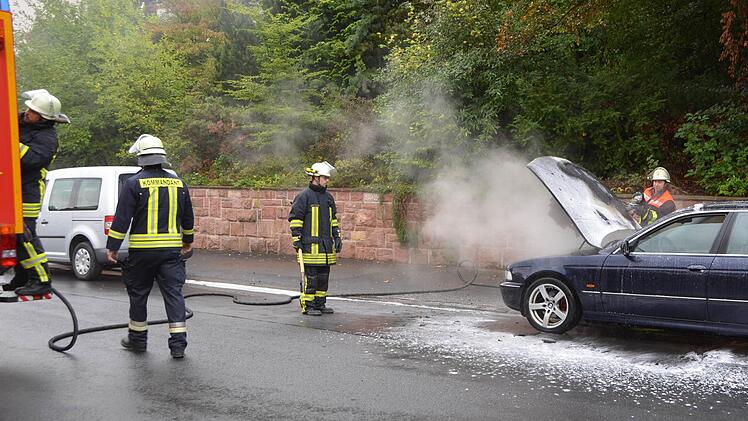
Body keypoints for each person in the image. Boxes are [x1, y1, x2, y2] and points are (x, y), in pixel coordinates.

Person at [105, 134, 194, 358]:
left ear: (141, 158)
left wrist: (112, 247)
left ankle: (138, 340)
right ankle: (178, 346)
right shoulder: (179, 184)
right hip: (171, 253)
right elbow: (188, 218)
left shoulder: (134, 184)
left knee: (138, 295)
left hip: (142, 254)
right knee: (174, 295)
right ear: (162, 158)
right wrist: (187, 242)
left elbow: (122, 219)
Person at [4, 89, 69, 296]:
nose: (27, 112)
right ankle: (23, 276)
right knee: (16, 238)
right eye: (28, 108)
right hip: (13, 189)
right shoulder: (23, 120)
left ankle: (41, 279)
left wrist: (11, 143)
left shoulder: (47, 138)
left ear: (43, 118)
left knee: (25, 236)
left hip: (28, 192)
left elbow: (31, 160)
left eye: (32, 111)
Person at [288, 161, 342, 316]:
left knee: (323, 278)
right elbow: (295, 219)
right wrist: (296, 238)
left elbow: (333, 219)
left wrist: (337, 236)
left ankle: (320, 304)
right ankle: (309, 305)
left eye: (327, 178)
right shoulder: (304, 196)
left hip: (325, 248)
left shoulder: (328, 198)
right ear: (315, 177)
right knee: (311, 278)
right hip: (310, 247)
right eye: (325, 178)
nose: (327, 181)